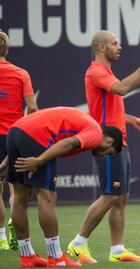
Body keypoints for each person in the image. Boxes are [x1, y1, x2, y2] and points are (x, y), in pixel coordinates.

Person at [67, 30, 140, 263]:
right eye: (114, 43)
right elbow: (121, 89)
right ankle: (78, 244)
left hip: (119, 139)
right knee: (111, 195)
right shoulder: (96, 72)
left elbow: (108, 107)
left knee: (120, 197)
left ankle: (117, 250)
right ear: (101, 47)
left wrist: (130, 120)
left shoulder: (106, 72)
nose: (119, 46)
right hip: (107, 143)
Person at [2, 107, 123, 267]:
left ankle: (27, 256)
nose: (103, 156)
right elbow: (69, 142)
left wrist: (5, 162)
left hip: (15, 132)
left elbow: (30, 128)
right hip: (36, 137)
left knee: (20, 196)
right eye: (108, 153)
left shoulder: (84, 123)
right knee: (47, 198)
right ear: (110, 140)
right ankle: (56, 257)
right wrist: (39, 160)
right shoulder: (95, 133)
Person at [0, 29, 38, 251]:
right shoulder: (21, 73)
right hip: (15, 136)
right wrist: (24, 128)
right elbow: (32, 107)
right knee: (17, 190)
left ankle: (2, 237)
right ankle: (16, 223)